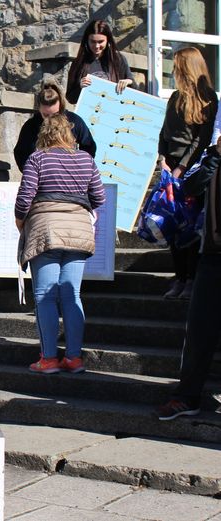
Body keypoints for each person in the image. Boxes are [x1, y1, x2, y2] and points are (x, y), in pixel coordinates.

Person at [15, 114, 105, 374]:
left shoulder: (37, 159)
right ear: (70, 135)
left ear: (44, 134)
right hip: (78, 231)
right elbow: (99, 197)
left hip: (46, 230)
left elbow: (24, 199)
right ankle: (74, 358)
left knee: (45, 295)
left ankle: (49, 358)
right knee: (72, 295)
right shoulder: (86, 159)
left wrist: (20, 222)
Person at [157, 134, 221, 420]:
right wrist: (215, 156)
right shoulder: (213, 156)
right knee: (199, 330)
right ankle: (187, 396)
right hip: (212, 254)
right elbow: (190, 188)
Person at [157, 47, 217, 300]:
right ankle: (179, 277)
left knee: (190, 226)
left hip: (192, 168)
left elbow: (201, 140)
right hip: (171, 165)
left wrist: (181, 167)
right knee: (172, 223)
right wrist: (162, 158)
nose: (173, 70)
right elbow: (163, 132)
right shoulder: (174, 97)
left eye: (176, 65)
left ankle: (191, 278)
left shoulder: (208, 98)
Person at [14, 80, 97, 173]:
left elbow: (89, 146)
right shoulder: (31, 125)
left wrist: (81, 170)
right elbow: (21, 153)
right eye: (45, 115)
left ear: (60, 105)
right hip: (43, 176)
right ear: (39, 108)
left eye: (55, 114)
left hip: (70, 174)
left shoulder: (74, 120)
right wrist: (31, 173)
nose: (50, 119)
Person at [66, 19, 134, 104]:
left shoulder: (118, 60)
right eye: (93, 42)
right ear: (87, 40)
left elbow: (134, 89)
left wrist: (128, 82)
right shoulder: (79, 63)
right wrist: (80, 87)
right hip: (88, 109)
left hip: (112, 109)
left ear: (108, 40)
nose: (97, 46)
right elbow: (70, 98)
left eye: (101, 42)